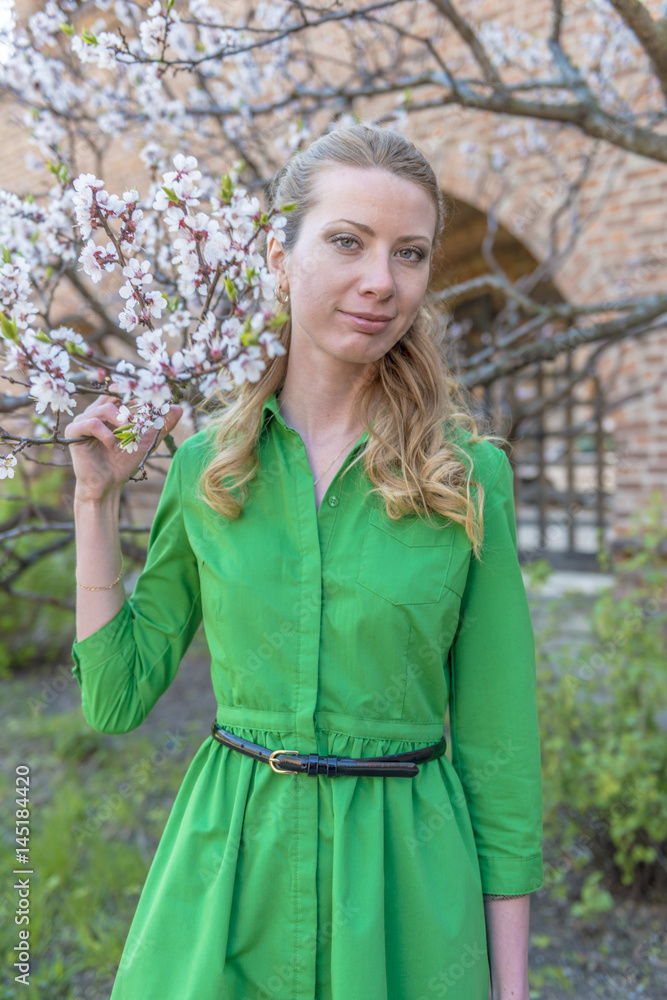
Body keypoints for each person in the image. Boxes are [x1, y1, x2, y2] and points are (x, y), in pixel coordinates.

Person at [66, 123, 543, 1000]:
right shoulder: (208, 465)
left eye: (409, 253)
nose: (380, 281)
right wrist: (95, 506)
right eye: (347, 242)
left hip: (406, 890)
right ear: (281, 258)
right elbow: (115, 695)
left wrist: (509, 988)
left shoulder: (465, 479)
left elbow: (500, 751)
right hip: (228, 876)